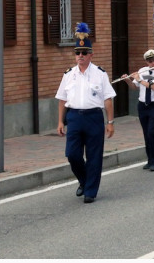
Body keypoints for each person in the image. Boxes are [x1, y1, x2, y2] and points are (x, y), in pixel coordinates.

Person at [56, 23, 115, 203]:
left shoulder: (100, 74)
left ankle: (90, 191)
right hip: (73, 117)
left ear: (91, 54)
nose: (80, 56)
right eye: (77, 53)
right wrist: (60, 121)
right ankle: (84, 180)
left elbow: (108, 99)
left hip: (94, 117)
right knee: (72, 155)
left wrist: (110, 122)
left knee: (94, 156)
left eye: (83, 53)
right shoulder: (68, 74)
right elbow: (62, 99)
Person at [122, 49, 154, 171]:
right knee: (146, 133)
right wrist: (127, 79)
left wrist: (139, 79)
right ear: (146, 62)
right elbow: (134, 87)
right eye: (150, 61)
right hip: (143, 105)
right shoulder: (142, 71)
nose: (153, 63)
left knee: (152, 132)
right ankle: (149, 159)